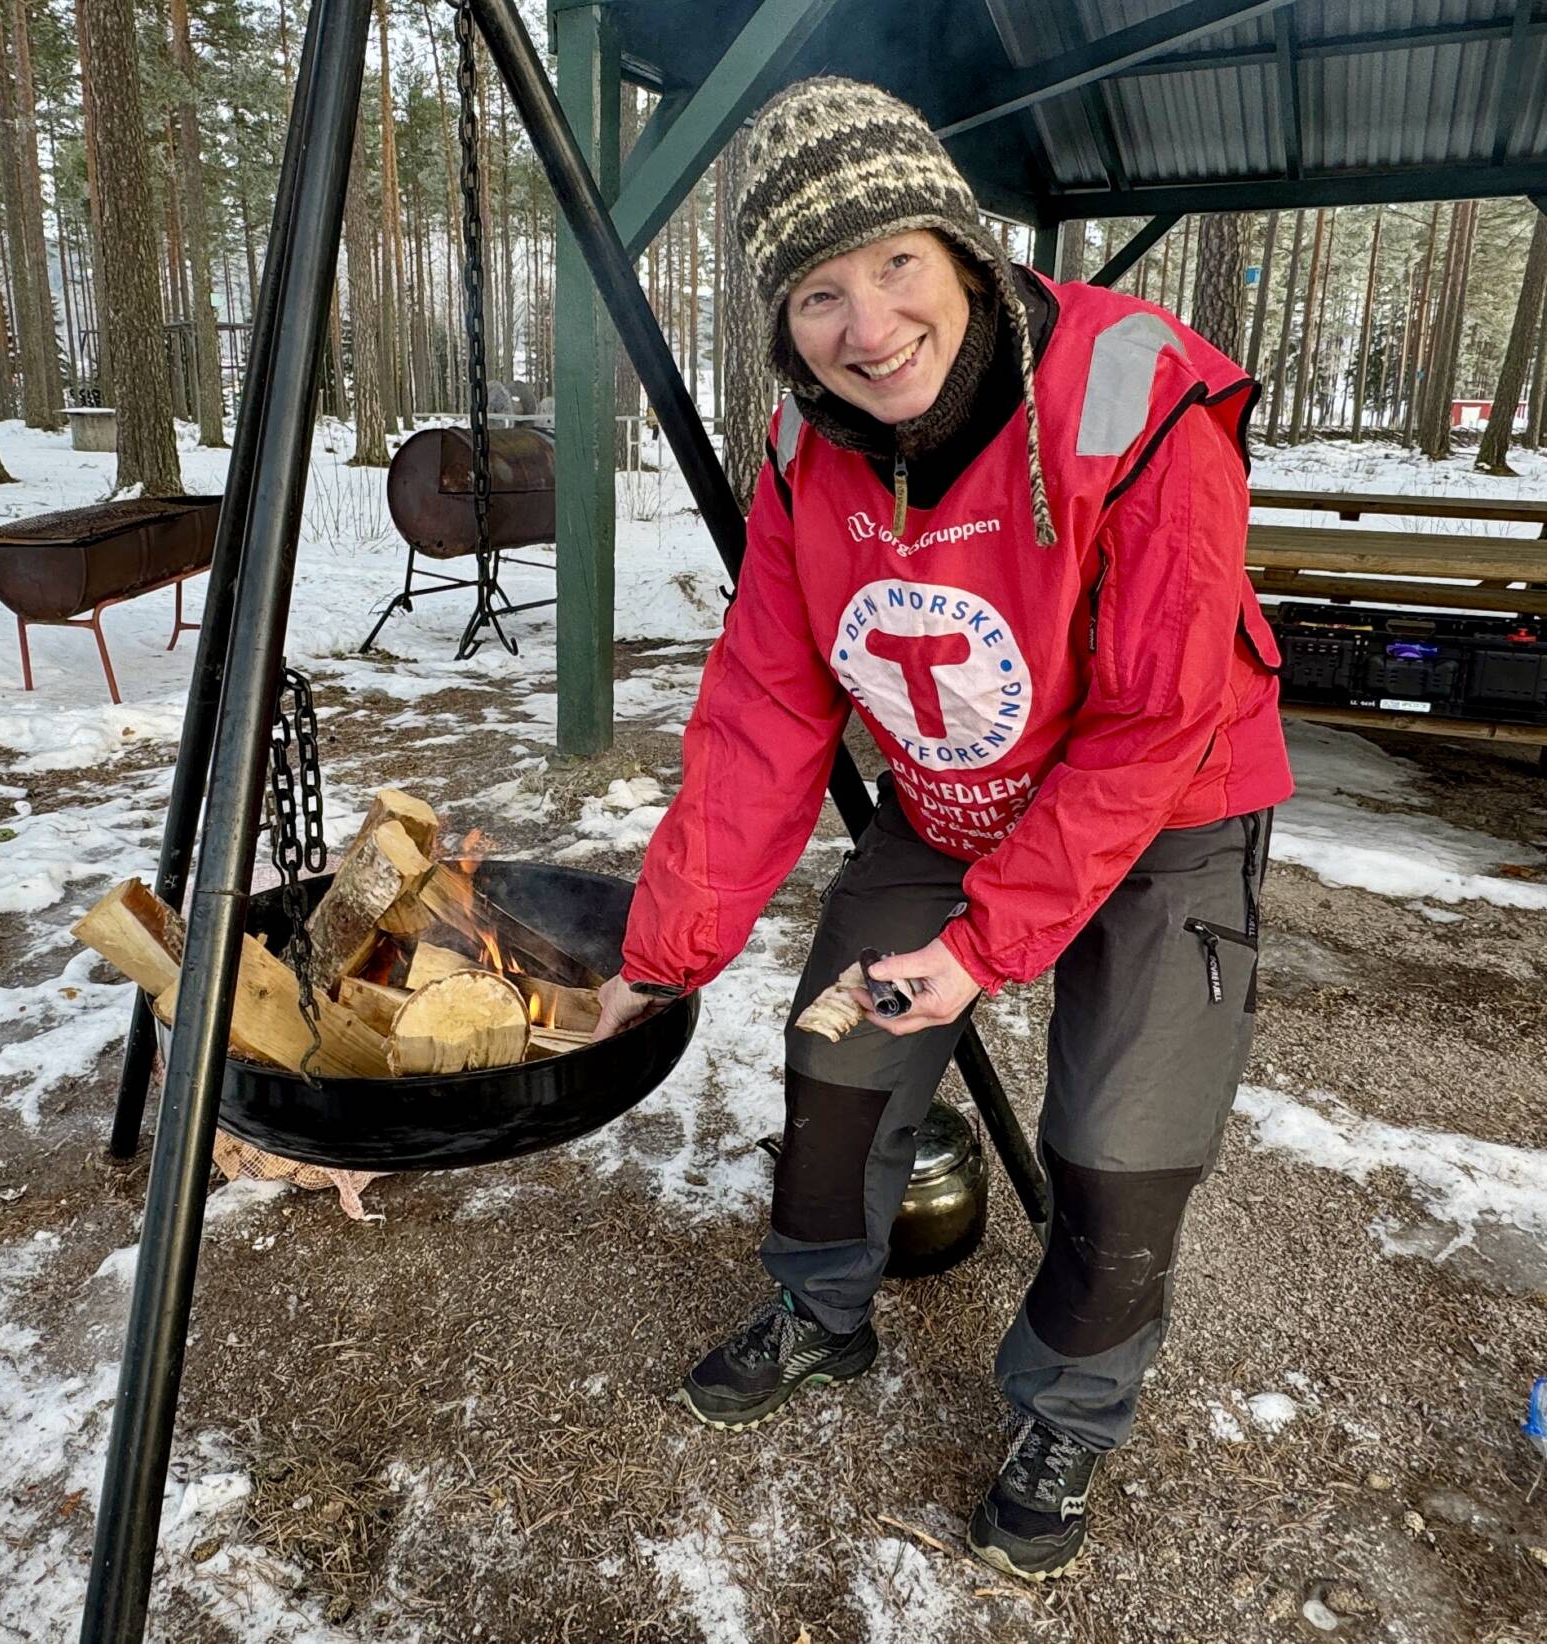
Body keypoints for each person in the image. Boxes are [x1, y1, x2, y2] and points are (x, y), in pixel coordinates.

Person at [592, 78, 1293, 1583]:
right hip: (954, 798)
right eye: (818, 294)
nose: (869, 327)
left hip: (1171, 806)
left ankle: (1069, 1414)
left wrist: (986, 947)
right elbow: (765, 711)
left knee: (1122, 1141)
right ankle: (822, 1310)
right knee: (837, 1064)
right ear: (784, 327)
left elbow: (1156, 719)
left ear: (964, 252)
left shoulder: (1134, 396)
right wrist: (662, 954)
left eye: (896, 262)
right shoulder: (806, 454)